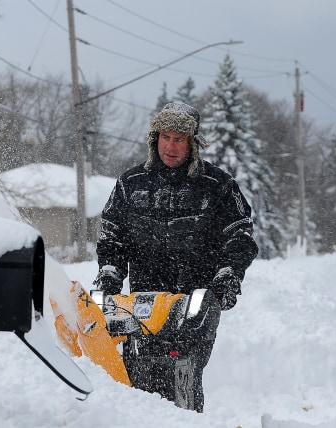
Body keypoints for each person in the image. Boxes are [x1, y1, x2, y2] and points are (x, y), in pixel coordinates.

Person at [93, 101, 258, 412]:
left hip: (194, 300)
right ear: (155, 139)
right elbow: (112, 236)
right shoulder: (130, 184)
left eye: (179, 139)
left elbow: (239, 237)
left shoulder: (218, 186)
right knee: (138, 373)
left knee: (182, 371)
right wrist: (110, 271)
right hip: (143, 302)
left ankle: (186, 419)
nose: (171, 146)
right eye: (165, 137)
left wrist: (229, 273)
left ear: (192, 143)